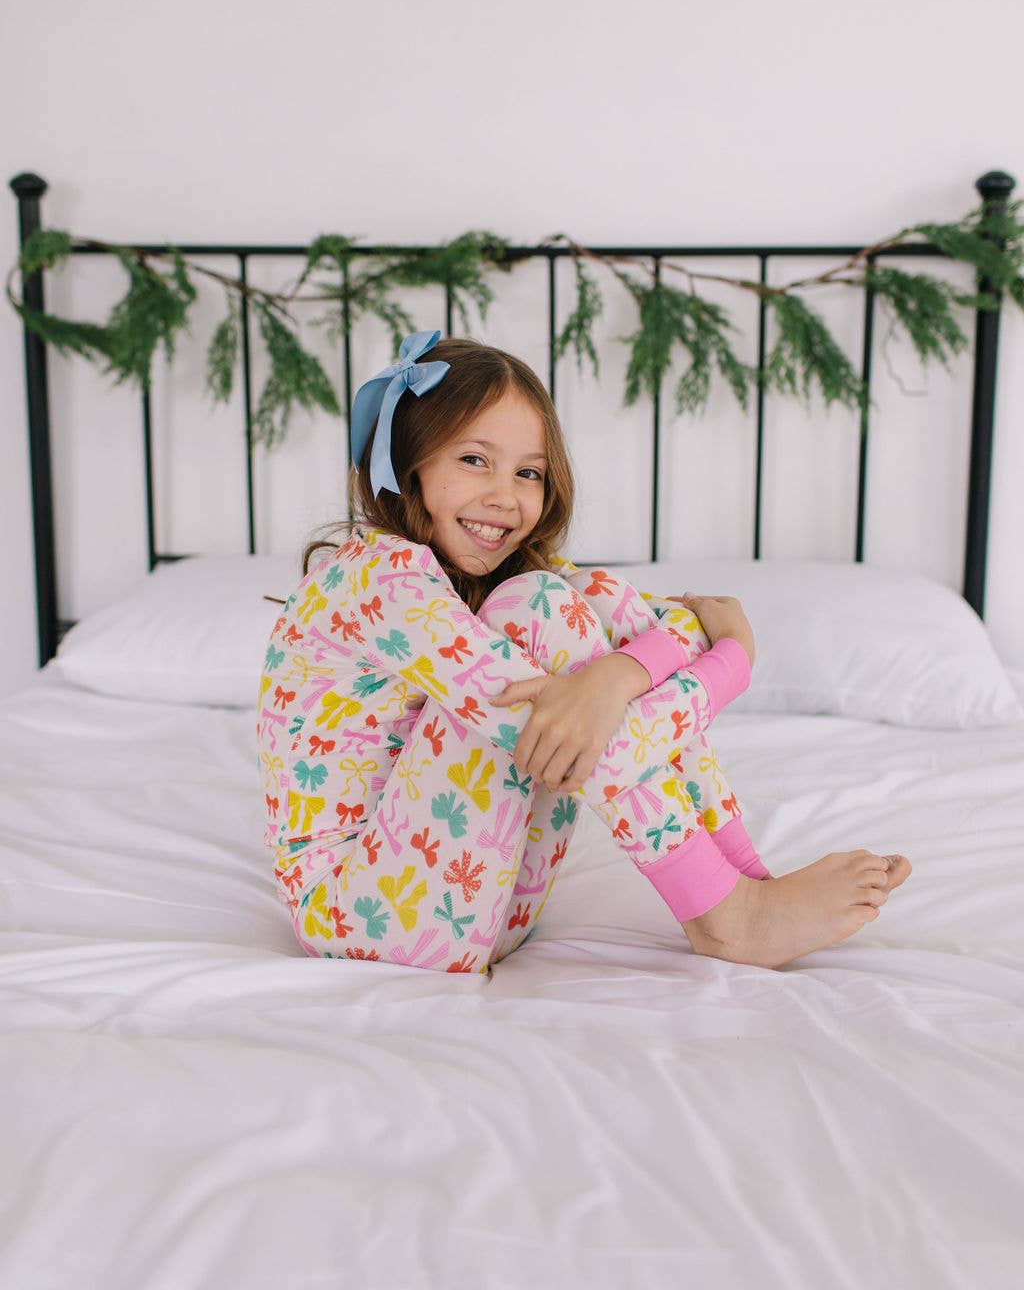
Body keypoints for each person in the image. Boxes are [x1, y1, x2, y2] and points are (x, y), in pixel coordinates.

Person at [257, 331, 911, 974]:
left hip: (483, 904)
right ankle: (728, 916)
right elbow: (580, 737)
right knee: (546, 618)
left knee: (592, 596)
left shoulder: (501, 578)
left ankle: (746, 879)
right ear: (408, 465)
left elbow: (681, 626)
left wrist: (618, 677)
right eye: (474, 460)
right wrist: (733, 663)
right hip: (362, 918)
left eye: (529, 472)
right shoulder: (375, 578)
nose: (505, 496)